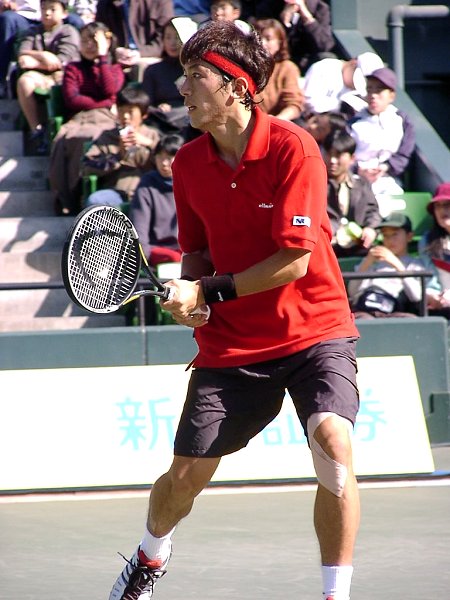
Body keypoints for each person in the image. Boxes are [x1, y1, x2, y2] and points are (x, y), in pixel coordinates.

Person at [108, 20, 360, 600]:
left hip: (314, 330)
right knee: (183, 480)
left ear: (237, 88)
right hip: (234, 345)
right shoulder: (187, 163)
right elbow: (197, 252)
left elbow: (294, 261)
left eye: (196, 75)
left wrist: (208, 291)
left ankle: (335, 594)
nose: (181, 88)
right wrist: (190, 297)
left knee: (334, 448)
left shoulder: (295, 148)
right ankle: (149, 556)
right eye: (182, 74)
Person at [48, 21, 125, 214]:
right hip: (79, 118)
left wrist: (102, 56)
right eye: (84, 41)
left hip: (105, 118)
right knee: (69, 139)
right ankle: (69, 195)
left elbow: (111, 89)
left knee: (100, 137)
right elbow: (73, 100)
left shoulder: (114, 68)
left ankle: (90, 188)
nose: (89, 45)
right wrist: (105, 102)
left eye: (94, 41)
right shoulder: (73, 68)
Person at [15, 0, 80, 154]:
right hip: (40, 77)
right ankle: (36, 130)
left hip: (64, 77)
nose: (47, 13)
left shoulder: (69, 31)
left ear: (64, 13)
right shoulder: (32, 31)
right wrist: (44, 55)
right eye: (44, 8)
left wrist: (36, 62)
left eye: (52, 9)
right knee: (24, 81)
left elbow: (62, 61)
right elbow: (23, 58)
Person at [349, 67, 416, 216]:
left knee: (394, 213)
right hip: (358, 179)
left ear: (391, 95)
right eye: (370, 89)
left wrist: (386, 167)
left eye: (379, 90)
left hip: (389, 179)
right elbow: (344, 155)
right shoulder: (353, 122)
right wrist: (359, 169)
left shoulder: (402, 120)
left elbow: (404, 154)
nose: (373, 95)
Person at [81, 84, 160, 207]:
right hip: (117, 192)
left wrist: (150, 144)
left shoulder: (152, 135)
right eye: (121, 111)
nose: (125, 117)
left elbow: (170, 164)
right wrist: (118, 156)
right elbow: (87, 167)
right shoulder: (107, 137)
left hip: (150, 190)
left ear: (144, 114)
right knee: (96, 201)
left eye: (130, 112)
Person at [347, 213, 428, 319]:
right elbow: (352, 292)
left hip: (394, 311)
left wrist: (395, 263)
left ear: (409, 236)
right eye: (385, 235)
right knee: (360, 319)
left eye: (394, 234)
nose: (390, 240)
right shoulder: (372, 261)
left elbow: (417, 296)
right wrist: (367, 263)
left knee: (410, 320)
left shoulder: (414, 264)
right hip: (365, 308)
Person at [129, 132, 184, 267]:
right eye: (160, 157)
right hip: (157, 250)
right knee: (174, 258)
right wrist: (144, 256)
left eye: (169, 158)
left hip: (186, 250)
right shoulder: (147, 184)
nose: (164, 163)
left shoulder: (192, 182)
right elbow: (139, 230)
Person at [324, 128, 381, 258]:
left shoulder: (362, 183)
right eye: (329, 154)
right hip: (327, 248)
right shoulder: (315, 183)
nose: (332, 160)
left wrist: (370, 228)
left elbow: (372, 211)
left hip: (358, 247)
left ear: (352, 158)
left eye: (338, 155)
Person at [95, 0, 173, 77]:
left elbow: (165, 38)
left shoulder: (160, 2)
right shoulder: (104, 4)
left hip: (152, 56)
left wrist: (140, 53)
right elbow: (100, 35)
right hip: (118, 58)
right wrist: (115, 51)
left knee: (141, 67)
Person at [141, 19, 190, 136]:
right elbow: (145, 104)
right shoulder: (153, 70)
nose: (172, 43)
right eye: (168, 37)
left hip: (187, 118)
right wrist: (158, 108)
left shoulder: (193, 70)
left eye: (177, 37)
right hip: (161, 120)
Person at [302, 51, 384, 117]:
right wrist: (339, 106)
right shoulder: (325, 68)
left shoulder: (359, 91)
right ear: (353, 63)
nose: (354, 86)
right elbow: (310, 102)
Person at [253, 17, 304, 121]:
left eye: (268, 39)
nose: (262, 43)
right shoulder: (243, 66)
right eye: (258, 38)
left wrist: (275, 121)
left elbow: (294, 105)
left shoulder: (287, 68)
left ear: (279, 43)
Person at [419, 182, 450, 319]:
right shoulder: (427, 241)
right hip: (443, 309)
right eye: (438, 206)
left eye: (447, 205)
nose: (442, 210)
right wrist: (433, 296)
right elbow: (430, 282)